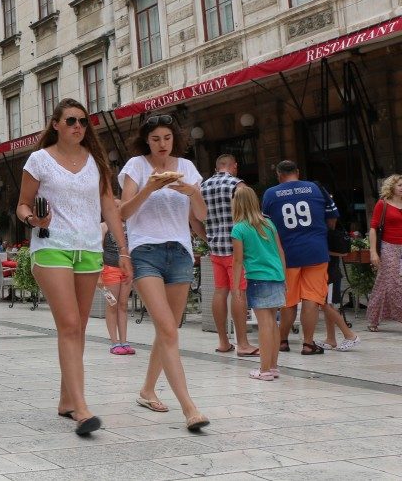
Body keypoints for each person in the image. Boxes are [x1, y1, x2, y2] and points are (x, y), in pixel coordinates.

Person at [18, 99, 132, 436]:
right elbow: (21, 205)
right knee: (69, 324)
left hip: (89, 250)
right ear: (55, 124)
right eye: (70, 120)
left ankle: (67, 400)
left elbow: (109, 208)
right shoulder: (39, 160)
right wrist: (33, 218)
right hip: (52, 246)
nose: (77, 126)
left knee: (78, 327)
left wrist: (123, 250)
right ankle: (81, 409)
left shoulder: (95, 162)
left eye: (83, 121)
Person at [118, 114, 209, 431]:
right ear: (147, 140)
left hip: (180, 252)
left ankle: (146, 390)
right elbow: (123, 211)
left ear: (174, 140)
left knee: (167, 329)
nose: (161, 144)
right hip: (146, 251)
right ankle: (189, 408)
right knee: (168, 328)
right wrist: (150, 188)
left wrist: (190, 191)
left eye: (167, 138)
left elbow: (200, 215)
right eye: (155, 138)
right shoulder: (135, 167)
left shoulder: (186, 167)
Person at [262, 161, 354, 355]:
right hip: (316, 251)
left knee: (289, 301)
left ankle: (282, 341)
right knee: (312, 298)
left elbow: (266, 227)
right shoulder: (315, 188)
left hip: (287, 254)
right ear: (298, 172)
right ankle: (308, 343)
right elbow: (332, 218)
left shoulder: (271, 194)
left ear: (279, 175)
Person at [200, 154, 257, 356]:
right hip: (236, 250)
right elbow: (250, 216)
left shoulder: (202, 187)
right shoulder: (238, 185)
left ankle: (223, 342)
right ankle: (242, 343)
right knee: (238, 292)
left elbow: (193, 219)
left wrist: (208, 238)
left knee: (220, 292)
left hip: (216, 249)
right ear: (233, 166)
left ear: (217, 167)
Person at [230, 186, 287, 381]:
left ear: (236, 203)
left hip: (258, 277)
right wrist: (284, 277)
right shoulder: (269, 224)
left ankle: (263, 370)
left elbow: (237, 261)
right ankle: (273, 366)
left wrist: (236, 286)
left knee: (264, 323)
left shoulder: (239, 228)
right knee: (272, 322)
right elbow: (280, 251)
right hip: (276, 275)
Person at [365, 173, 402, 332]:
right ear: (392, 186)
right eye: (400, 185)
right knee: (394, 283)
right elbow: (373, 228)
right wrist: (373, 252)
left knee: (382, 283)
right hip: (389, 246)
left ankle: (373, 318)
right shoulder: (383, 204)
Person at [100, 226, 134, 355]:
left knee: (123, 305)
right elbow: (98, 248)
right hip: (109, 269)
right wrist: (99, 275)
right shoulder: (104, 226)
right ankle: (115, 342)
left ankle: (124, 341)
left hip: (127, 269)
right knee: (112, 304)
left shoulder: (130, 224)